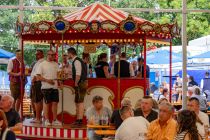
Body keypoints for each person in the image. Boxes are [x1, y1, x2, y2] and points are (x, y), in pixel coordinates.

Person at [36, 50, 61, 126]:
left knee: (55, 103)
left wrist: (60, 82)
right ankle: (46, 119)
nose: (53, 56)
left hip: (55, 86)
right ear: (48, 55)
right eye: (52, 55)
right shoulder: (42, 64)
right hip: (46, 87)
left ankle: (54, 119)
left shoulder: (56, 64)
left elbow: (59, 75)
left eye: (54, 55)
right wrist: (47, 80)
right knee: (47, 103)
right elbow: (38, 76)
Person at [68, 47, 87, 126]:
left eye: (68, 53)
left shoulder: (76, 61)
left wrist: (76, 83)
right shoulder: (77, 61)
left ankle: (79, 120)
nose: (67, 55)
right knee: (78, 101)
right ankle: (78, 120)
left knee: (80, 102)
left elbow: (78, 74)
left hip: (80, 83)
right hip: (81, 82)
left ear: (71, 53)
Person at [30, 49, 44, 123]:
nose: (36, 55)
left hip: (37, 82)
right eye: (36, 54)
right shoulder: (38, 62)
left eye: (38, 54)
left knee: (37, 101)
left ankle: (38, 118)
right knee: (36, 100)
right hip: (37, 82)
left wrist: (33, 80)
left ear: (42, 55)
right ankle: (38, 117)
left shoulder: (41, 62)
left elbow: (38, 73)